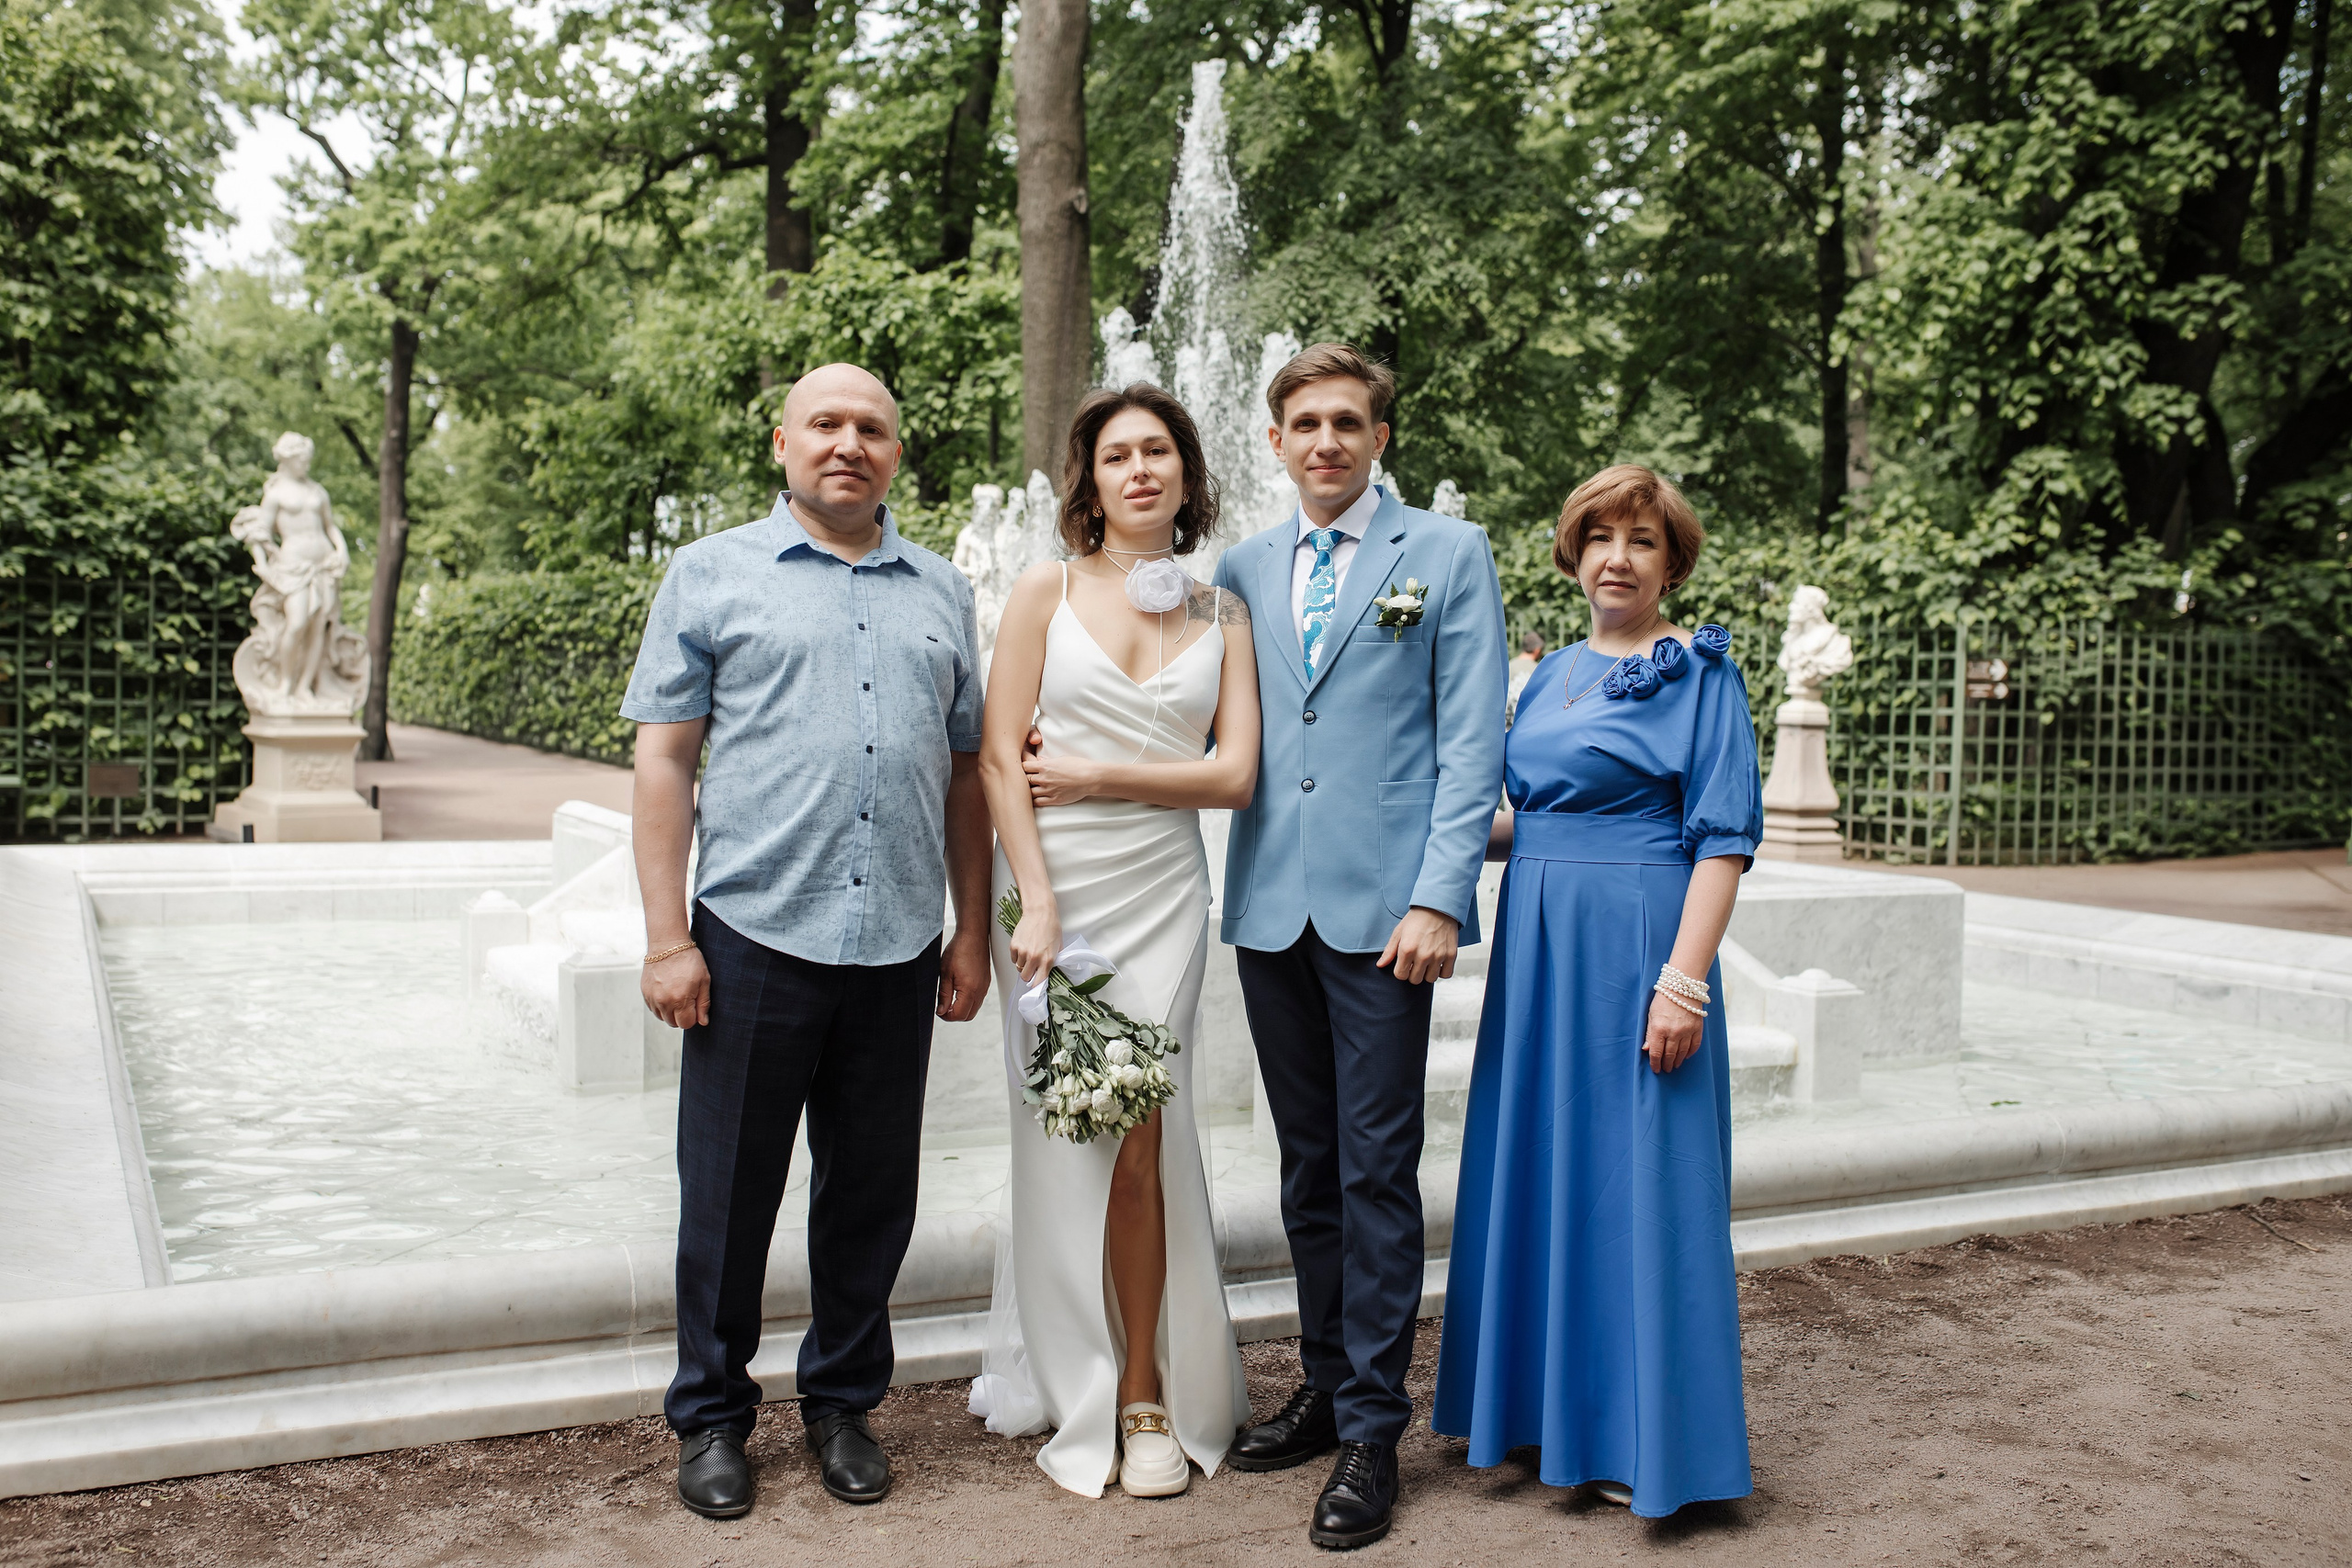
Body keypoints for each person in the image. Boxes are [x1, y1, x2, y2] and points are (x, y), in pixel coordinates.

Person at [624, 363, 994, 1519]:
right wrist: (665, 939)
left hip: (894, 944)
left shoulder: (943, 590)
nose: (848, 444)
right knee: (729, 1197)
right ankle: (713, 1419)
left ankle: (842, 1406)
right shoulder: (711, 573)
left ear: (896, 451)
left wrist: (972, 929)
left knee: (871, 1197)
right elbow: (664, 761)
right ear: (782, 441)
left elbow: (969, 774)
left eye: (871, 428)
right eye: (825, 425)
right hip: (749, 939)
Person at [1209, 343, 1507, 1550]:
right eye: (1305, 423)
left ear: (1380, 436)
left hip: (1390, 916)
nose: (1326, 440)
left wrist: (1439, 896)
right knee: (1307, 1165)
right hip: (1271, 908)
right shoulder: (1238, 567)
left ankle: (1378, 1427)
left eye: (1347, 421)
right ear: (1274, 441)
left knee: (1379, 1169)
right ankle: (1329, 1384)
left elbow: (1471, 736)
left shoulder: (1445, 553)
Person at [1433, 464, 1762, 1518]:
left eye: (1642, 541)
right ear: (1573, 552)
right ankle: (1545, 1419)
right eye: (1601, 538)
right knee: (1544, 1170)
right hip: (1538, 949)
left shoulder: (1701, 671)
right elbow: (1526, 817)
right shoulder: (1548, 672)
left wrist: (1683, 983)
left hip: (1636, 944)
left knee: (1640, 1186)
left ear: (1671, 563)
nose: (1618, 558)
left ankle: (1645, 1441)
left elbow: (1722, 842)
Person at [969, 383, 1259, 1497]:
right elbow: (1001, 759)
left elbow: (1233, 776)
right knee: (1065, 1141)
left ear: (1187, 475)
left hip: (1164, 896)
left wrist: (1097, 772)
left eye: (1159, 452)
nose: (1139, 470)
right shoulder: (1043, 589)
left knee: (1141, 1134)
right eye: (1116, 455)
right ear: (1087, 483)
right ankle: (1078, 1371)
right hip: (1055, 893)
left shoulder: (1223, 611)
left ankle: (1143, 1395)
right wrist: (1032, 900)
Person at [1505, 629, 1546, 724]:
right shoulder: (1538, 669)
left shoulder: (1510, 665)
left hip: (1508, 720)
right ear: (1537, 650)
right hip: (1530, 721)